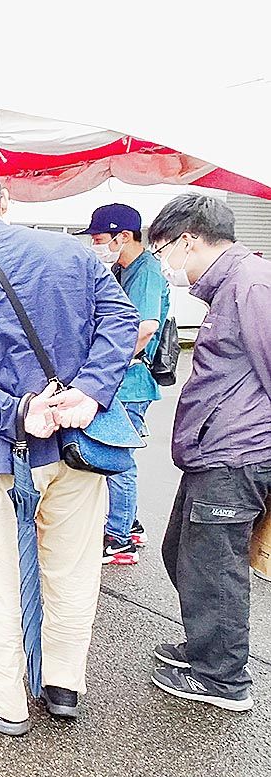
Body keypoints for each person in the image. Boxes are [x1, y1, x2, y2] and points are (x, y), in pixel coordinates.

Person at [0, 156, 139, 736]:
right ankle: (64, 685)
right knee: (72, 569)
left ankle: (3, 696)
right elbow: (122, 320)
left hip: (3, 451)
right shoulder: (74, 253)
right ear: (4, 201)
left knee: (0, 576)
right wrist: (90, 392)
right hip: (81, 444)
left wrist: (17, 410)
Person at [148, 193, 271, 713]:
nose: (166, 265)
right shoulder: (232, 286)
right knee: (182, 552)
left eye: (163, 252)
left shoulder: (251, 284)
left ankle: (223, 677)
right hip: (213, 450)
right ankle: (207, 646)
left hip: (236, 454)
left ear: (189, 240)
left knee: (215, 566)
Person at [76, 204, 171, 564]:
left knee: (118, 458)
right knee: (117, 454)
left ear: (124, 237)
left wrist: (108, 365)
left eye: (100, 239)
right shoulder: (122, 269)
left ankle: (119, 540)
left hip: (130, 381)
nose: (96, 245)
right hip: (121, 379)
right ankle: (129, 523)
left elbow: (145, 328)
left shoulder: (145, 272)